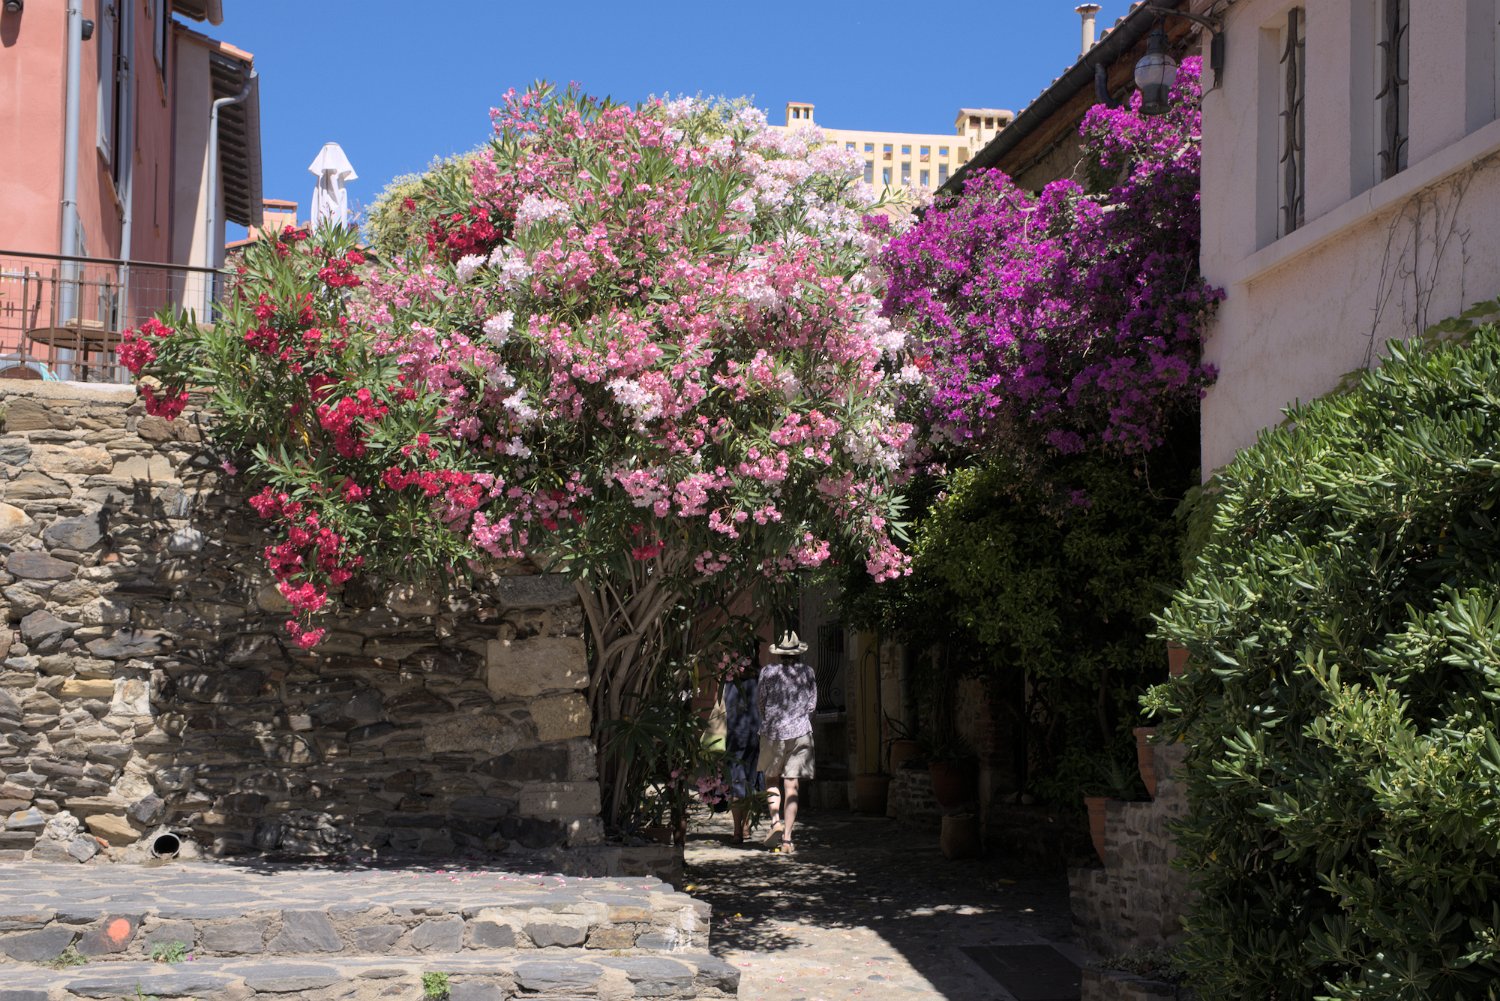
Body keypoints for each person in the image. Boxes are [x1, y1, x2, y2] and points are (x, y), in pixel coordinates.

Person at [756, 630, 817, 855]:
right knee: (792, 785)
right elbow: (812, 705)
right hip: (800, 733)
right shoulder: (807, 672)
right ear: (798, 652)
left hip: (772, 731)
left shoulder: (768, 672)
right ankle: (788, 839)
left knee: (771, 779)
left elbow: (761, 702)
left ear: (779, 653)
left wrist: (770, 719)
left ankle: (775, 823)